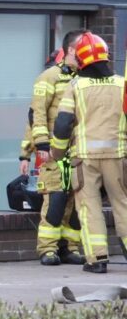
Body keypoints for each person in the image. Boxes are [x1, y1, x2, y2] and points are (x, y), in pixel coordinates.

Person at [51, 32, 127, 274]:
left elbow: (63, 123)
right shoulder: (122, 84)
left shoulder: (76, 86)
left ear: (81, 60)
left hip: (84, 159)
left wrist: (57, 151)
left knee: (90, 206)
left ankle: (97, 259)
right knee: (123, 204)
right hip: (118, 155)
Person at [28, 32, 85, 266]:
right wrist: (41, 143)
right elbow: (36, 112)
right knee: (56, 199)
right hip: (55, 148)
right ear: (71, 50)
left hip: (79, 149)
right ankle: (48, 249)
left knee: (75, 202)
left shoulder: (84, 77)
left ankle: (69, 248)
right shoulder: (49, 77)